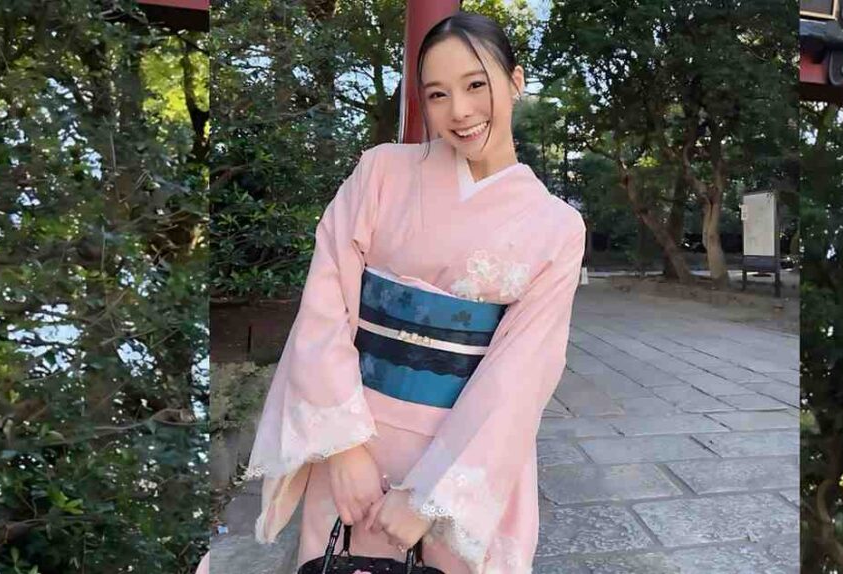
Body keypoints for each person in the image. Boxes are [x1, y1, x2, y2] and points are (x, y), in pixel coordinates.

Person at [201, 11, 586, 574]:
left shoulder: (555, 227)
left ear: (516, 80)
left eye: (476, 85)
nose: (459, 111)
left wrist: (430, 496)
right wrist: (344, 446)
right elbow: (325, 306)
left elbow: (522, 375)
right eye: (437, 94)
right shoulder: (381, 172)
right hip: (356, 438)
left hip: (461, 455)